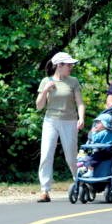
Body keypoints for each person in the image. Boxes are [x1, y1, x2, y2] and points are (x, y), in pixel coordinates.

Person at [35, 51, 86, 202]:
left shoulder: (73, 81)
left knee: (71, 155)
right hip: (50, 120)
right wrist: (45, 91)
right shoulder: (46, 81)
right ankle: (45, 190)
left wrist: (81, 118)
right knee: (46, 154)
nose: (71, 67)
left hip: (69, 121)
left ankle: (79, 181)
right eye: (68, 65)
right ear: (59, 65)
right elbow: (39, 106)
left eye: (71, 64)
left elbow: (80, 103)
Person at [77, 113, 112, 178]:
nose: (96, 125)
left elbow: (95, 139)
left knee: (90, 158)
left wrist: (93, 132)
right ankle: (85, 167)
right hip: (107, 152)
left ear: (105, 124)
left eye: (98, 123)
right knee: (89, 157)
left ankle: (89, 171)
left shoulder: (104, 132)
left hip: (102, 151)